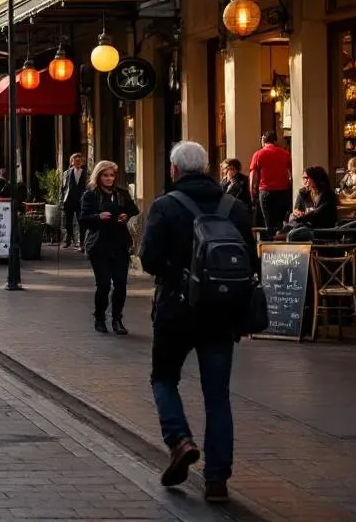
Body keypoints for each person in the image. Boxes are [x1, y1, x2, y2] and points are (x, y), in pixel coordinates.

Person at [139, 141, 258, 505]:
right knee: (217, 396)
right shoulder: (234, 207)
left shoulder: (164, 206)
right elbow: (250, 262)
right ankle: (217, 480)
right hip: (221, 313)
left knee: (163, 378)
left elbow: (149, 259)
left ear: (174, 170)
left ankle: (180, 440)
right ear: (206, 168)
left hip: (176, 312)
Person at [79, 160, 140, 335]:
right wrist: (98, 217)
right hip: (99, 245)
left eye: (112, 175)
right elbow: (83, 219)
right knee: (104, 284)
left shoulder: (121, 193)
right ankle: (99, 317)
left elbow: (134, 210)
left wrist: (125, 215)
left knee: (120, 284)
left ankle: (117, 319)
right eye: (105, 175)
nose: (109, 179)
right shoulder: (90, 195)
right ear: (99, 176)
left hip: (120, 244)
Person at [248, 132, 291, 239]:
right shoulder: (285, 154)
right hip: (282, 190)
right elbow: (290, 173)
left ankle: (270, 242)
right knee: (280, 221)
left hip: (265, 190)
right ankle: (279, 239)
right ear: (275, 141)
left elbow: (253, 175)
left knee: (268, 221)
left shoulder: (258, 154)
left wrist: (252, 192)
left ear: (263, 141)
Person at [286, 166, 338, 242]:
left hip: (320, 230)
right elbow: (297, 210)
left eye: (307, 178)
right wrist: (297, 213)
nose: (304, 181)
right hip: (304, 226)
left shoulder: (327, 194)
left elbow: (316, 215)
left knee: (293, 234)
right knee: (287, 228)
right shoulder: (303, 193)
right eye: (303, 178)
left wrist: (301, 217)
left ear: (316, 179)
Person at [60, 153, 89, 250]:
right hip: (69, 200)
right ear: (71, 162)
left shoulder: (86, 173)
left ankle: (82, 243)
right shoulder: (66, 173)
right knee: (68, 223)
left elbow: (88, 187)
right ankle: (68, 241)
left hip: (81, 201)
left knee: (81, 222)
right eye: (75, 161)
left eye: (79, 161)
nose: (78, 163)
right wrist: (61, 200)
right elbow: (62, 188)